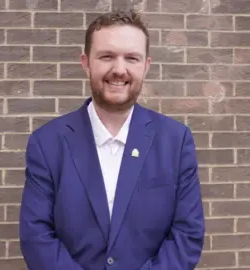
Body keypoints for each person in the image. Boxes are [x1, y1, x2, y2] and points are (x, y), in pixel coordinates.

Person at [19, 9, 205, 270]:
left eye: (132, 58)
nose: (119, 69)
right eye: (107, 56)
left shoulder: (175, 141)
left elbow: (187, 235)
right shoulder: (47, 143)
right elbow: (36, 237)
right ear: (86, 63)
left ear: (146, 66)